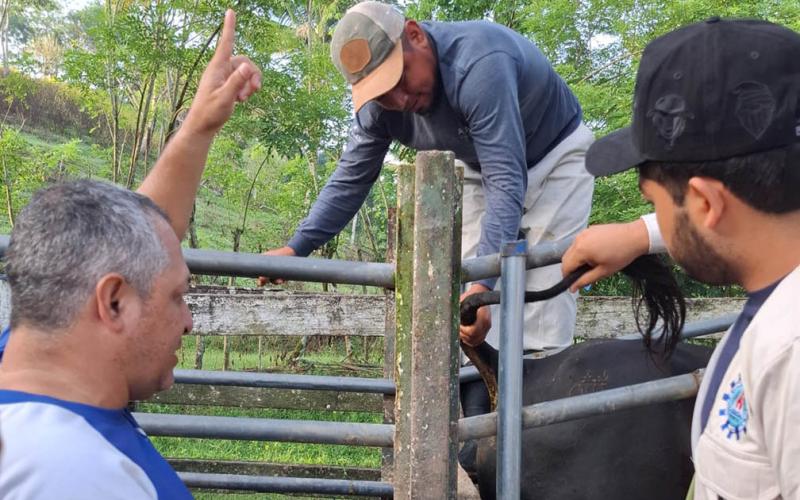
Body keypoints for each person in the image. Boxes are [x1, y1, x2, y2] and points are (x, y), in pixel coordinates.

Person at [0, 9, 261, 498]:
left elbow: (136, 241)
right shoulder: (76, 476)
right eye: (178, 297)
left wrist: (200, 125)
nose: (188, 321)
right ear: (113, 302)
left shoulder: (30, 354)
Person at [259, 1, 595, 354]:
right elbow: (351, 178)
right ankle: (481, 387)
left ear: (415, 35)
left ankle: (543, 384)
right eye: (382, 93)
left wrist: (483, 285)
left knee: (543, 298)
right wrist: (297, 247)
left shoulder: (479, 65)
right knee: (470, 306)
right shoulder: (378, 108)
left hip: (556, 156)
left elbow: (506, 178)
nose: (399, 99)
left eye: (399, 77)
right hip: (478, 167)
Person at [561, 18, 800, 499]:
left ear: (706, 204)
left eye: (655, 203)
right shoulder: (777, 294)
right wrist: (641, 234)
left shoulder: (788, 353)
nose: (657, 218)